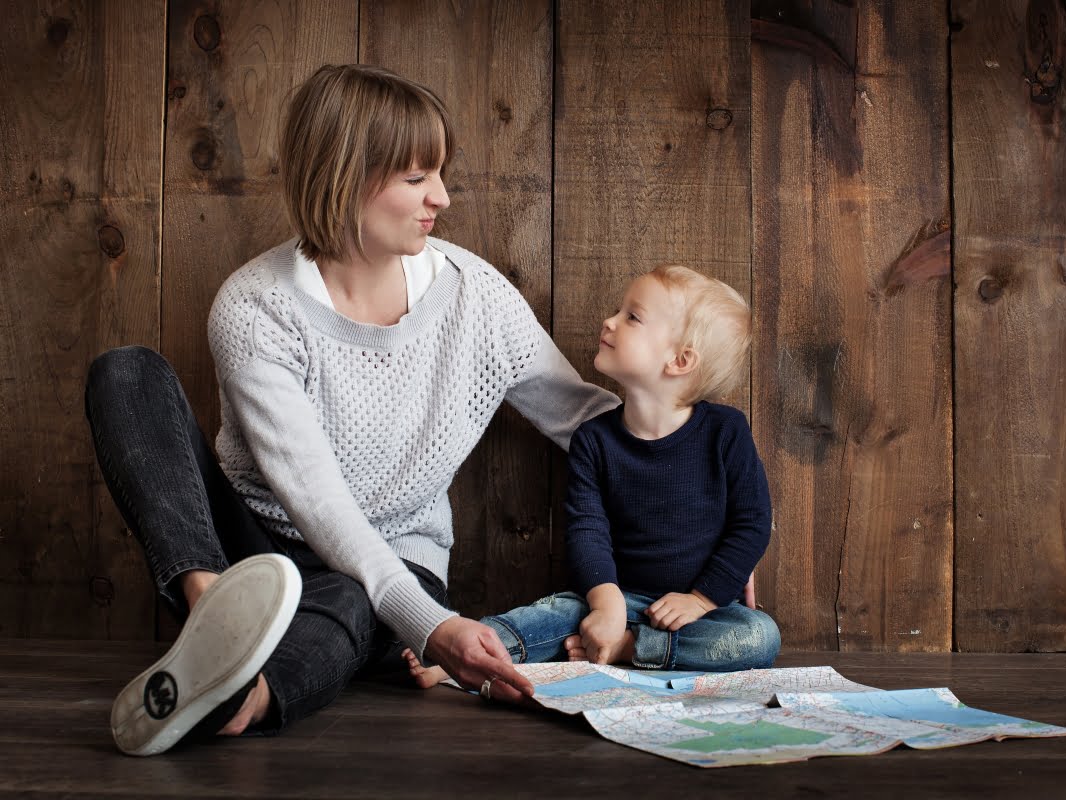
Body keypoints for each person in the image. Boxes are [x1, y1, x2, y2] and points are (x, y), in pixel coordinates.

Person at [84, 63, 619, 756]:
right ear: (346, 176)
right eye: (416, 177)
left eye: (439, 173)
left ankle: (243, 695)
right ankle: (214, 613)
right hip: (250, 549)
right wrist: (433, 630)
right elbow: (318, 501)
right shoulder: (255, 307)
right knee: (127, 373)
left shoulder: (475, 298)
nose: (443, 198)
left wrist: (709, 501)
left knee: (349, 597)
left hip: (392, 563)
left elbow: (585, 420)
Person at [407, 264, 779, 688]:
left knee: (758, 637)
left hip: (700, 611)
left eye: (632, 317)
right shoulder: (595, 440)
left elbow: (751, 523)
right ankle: (461, 655)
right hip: (616, 594)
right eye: (619, 311)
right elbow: (588, 529)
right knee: (550, 615)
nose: (610, 321)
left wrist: (702, 599)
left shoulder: (725, 432)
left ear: (680, 360)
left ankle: (629, 649)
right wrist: (606, 604)